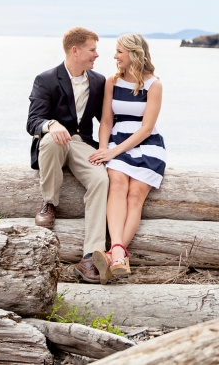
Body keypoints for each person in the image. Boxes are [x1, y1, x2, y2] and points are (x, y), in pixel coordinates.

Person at [26, 27, 109, 283]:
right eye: (92, 49)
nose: (97, 55)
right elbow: (33, 122)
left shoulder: (99, 82)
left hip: (82, 143)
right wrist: (51, 124)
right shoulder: (46, 79)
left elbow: (106, 120)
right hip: (54, 144)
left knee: (101, 179)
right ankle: (49, 203)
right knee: (51, 139)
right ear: (76, 50)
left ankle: (90, 257)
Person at [88, 33, 166, 284]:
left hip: (147, 146)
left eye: (119, 51)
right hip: (116, 141)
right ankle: (119, 255)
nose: (114, 56)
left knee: (136, 195)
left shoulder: (154, 85)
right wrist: (104, 150)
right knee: (118, 184)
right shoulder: (112, 81)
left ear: (134, 53)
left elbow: (146, 128)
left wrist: (114, 151)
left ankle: (116, 252)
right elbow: (106, 121)